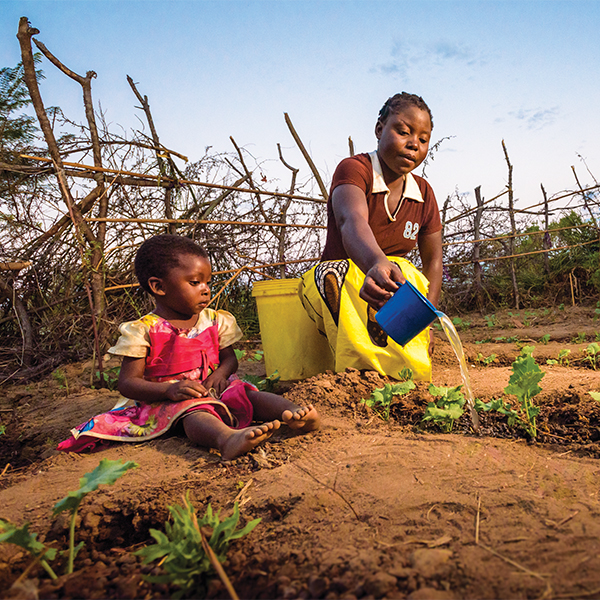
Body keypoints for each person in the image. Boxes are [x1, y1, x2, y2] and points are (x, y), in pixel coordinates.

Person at [58, 235, 320, 459]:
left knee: (246, 394)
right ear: (158, 286)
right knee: (195, 413)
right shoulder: (144, 330)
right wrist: (169, 390)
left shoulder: (215, 320)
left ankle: (295, 413)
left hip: (214, 389)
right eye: (195, 283)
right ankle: (226, 440)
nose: (205, 290)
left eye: (207, 282)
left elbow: (229, 359)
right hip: (170, 401)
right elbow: (128, 383)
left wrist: (220, 374)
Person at [300, 92, 443, 381]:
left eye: (423, 139)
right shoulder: (356, 170)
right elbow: (350, 221)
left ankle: (401, 368)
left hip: (388, 292)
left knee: (408, 274)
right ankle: (355, 374)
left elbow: (434, 263)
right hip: (340, 286)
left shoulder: (424, 194)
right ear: (380, 129)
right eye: (403, 131)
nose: (414, 143)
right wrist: (375, 263)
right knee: (338, 274)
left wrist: (427, 322)